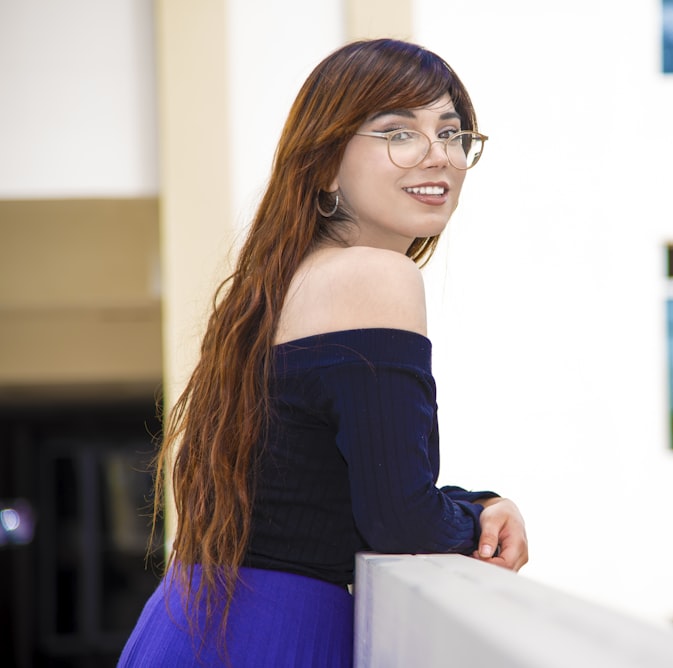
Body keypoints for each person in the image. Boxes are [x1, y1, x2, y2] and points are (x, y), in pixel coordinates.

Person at [118, 38, 528, 667]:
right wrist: (480, 520)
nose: (437, 155)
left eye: (451, 133)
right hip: (275, 635)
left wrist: (469, 503)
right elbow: (399, 520)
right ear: (328, 163)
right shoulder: (377, 277)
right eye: (398, 131)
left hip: (196, 622)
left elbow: (336, 494)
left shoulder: (273, 287)